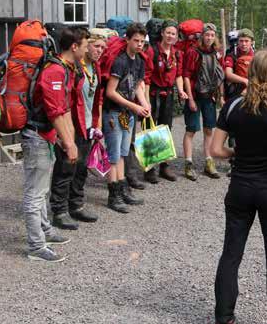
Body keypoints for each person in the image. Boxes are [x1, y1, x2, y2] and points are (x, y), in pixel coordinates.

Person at [210, 50, 267, 324]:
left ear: (251, 73)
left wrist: (239, 153)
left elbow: (216, 150)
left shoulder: (233, 106)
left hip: (240, 188)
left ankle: (223, 317)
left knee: (231, 252)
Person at [21, 26, 89, 262]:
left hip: (46, 137)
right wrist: (69, 144)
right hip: (37, 136)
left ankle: (45, 232)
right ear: (74, 46)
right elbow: (55, 111)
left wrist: (67, 139)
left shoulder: (65, 69)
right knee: (34, 194)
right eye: (86, 44)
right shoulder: (54, 71)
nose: (88, 49)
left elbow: (65, 109)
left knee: (41, 191)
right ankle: (35, 246)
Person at [49, 28, 107, 230]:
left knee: (81, 168)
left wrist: (97, 125)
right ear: (85, 46)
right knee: (66, 168)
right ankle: (59, 210)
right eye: (96, 46)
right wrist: (66, 133)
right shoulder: (73, 68)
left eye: (103, 47)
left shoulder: (96, 68)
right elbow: (66, 101)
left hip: (89, 125)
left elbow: (97, 97)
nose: (100, 51)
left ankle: (76, 205)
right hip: (73, 125)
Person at [103, 23, 152, 213]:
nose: (139, 44)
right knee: (114, 155)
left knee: (123, 153)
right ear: (127, 40)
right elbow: (110, 92)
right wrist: (134, 106)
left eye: (142, 41)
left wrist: (144, 103)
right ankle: (113, 195)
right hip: (114, 112)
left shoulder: (140, 61)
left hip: (128, 113)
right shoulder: (120, 61)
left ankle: (123, 189)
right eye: (136, 41)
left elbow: (138, 85)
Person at [145, 20, 187, 183]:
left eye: (173, 34)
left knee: (165, 129)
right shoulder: (152, 51)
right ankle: (149, 168)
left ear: (177, 37)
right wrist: (146, 100)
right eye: (168, 32)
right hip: (152, 93)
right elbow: (146, 76)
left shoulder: (177, 53)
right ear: (162, 33)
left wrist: (181, 90)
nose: (170, 36)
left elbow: (178, 75)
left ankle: (164, 166)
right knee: (149, 129)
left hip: (168, 94)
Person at [181, 23, 224, 181]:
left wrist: (220, 96)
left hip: (209, 96)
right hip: (195, 94)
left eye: (212, 35)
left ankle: (208, 161)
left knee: (208, 129)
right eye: (207, 35)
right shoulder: (193, 52)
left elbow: (220, 75)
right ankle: (188, 163)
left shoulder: (217, 53)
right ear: (201, 36)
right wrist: (190, 98)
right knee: (191, 129)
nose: (209, 38)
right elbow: (186, 75)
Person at [224, 28, 256, 100]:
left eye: (246, 41)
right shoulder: (231, 55)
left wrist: (250, 86)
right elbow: (228, 74)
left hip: (253, 90)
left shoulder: (257, 56)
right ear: (237, 42)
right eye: (241, 41)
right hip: (235, 91)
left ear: (252, 42)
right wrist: (244, 81)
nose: (243, 44)